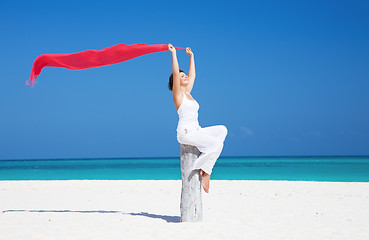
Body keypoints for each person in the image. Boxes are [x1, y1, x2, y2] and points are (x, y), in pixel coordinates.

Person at [167, 43, 227, 193]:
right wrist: (174, 54)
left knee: (222, 130)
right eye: (182, 76)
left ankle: (205, 160)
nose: (185, 76)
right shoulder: (178, 96)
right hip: (186, 133)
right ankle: (206, 171)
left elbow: (193, 75)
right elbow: (175, 73)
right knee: (216, 145)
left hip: (197, 130)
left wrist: (192, 57)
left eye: (184, 74)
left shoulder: (188, 93)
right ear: (176, 82)